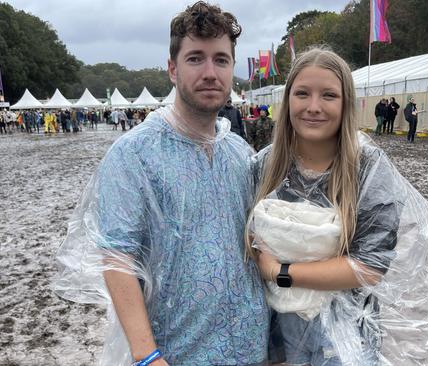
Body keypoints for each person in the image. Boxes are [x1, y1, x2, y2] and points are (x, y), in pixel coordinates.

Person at [54, 2, 268, 366]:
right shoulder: (134, 153)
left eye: (221, 60)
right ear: (172, 68)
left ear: (233, 69)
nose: (210, 72)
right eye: (195, 58)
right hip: (178, 352)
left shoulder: (238, 151)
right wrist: (147, 355)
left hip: (252, 347)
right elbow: (118, 258)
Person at [247, 48, 428, 366]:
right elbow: (248, 240)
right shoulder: (265, 166)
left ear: (345, 103)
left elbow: (370, 266)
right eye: (302, 94)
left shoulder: (368, 169)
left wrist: (281, 272)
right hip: (278, 334)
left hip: (347, 335)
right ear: (288, 100)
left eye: (328, 95)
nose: (313, 107)